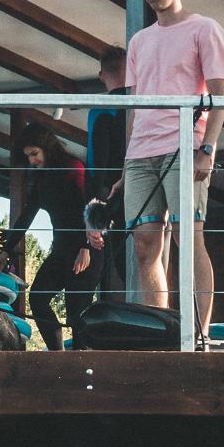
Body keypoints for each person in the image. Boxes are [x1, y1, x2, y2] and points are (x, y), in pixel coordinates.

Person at [124, 0, 224, 335]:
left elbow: (221, 92)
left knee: (190, 238)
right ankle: (154, 333)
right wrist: (126, 161)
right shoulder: (139, 40)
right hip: (141, 151)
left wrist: (207, 148)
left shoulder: (205, 28)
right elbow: (134, 104)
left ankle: (199, 334)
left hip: (185, 145)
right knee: (144, 245)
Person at [6, 124, 100, 349]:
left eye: (34, 154)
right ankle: (56, 353)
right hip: (60, 251)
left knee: (76, 312)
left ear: (47, 148)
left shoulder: (73, 168)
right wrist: (5, 250)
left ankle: (81, 365)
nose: (31, 161)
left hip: (87, 249)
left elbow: (86, 208)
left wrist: (85, 246)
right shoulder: (41, 180)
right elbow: (26, 216)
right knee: (37, 297)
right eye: (27, 156)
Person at [85, 48, 129, 301]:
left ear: (102, 75)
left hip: (115, 197)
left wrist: (93, 220)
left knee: (122, 266)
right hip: (150, 191)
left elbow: (94, 168)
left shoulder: (101, 110)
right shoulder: (148, 104)